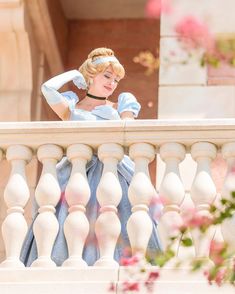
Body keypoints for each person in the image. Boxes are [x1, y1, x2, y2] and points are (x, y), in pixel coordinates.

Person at [20, 47, 162, 266]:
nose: (112, 83)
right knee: (72, 225)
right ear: (89, 75)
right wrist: (73, 75)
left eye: (115, 79)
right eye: (107, 76)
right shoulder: (71, 106)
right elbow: (47, 88)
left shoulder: (122, 102)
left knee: (119, 225)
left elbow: (129, 131)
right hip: (78, 174)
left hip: (114, 174)